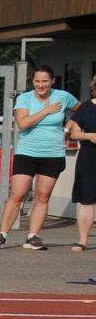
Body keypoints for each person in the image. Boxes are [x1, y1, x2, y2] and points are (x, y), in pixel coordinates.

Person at [0, 64, 76, 251]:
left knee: (42, 197)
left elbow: (83, 109)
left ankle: (33, 236)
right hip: (27, 152)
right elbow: (23, 123)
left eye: (45, 81)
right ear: (33, 82)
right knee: (17, 194)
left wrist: (70, 127)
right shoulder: (25, 98)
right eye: (37, 81)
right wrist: (46, 110)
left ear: (52, 81)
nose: (41, 85)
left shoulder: (63, 96)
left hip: (53, 153)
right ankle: (2, 234)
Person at [64, 90, 96, 252]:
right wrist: (89, 136)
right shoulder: (86, 107)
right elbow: (74, 133)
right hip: (89, 156)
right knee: (87, 200)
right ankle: (83, 240)